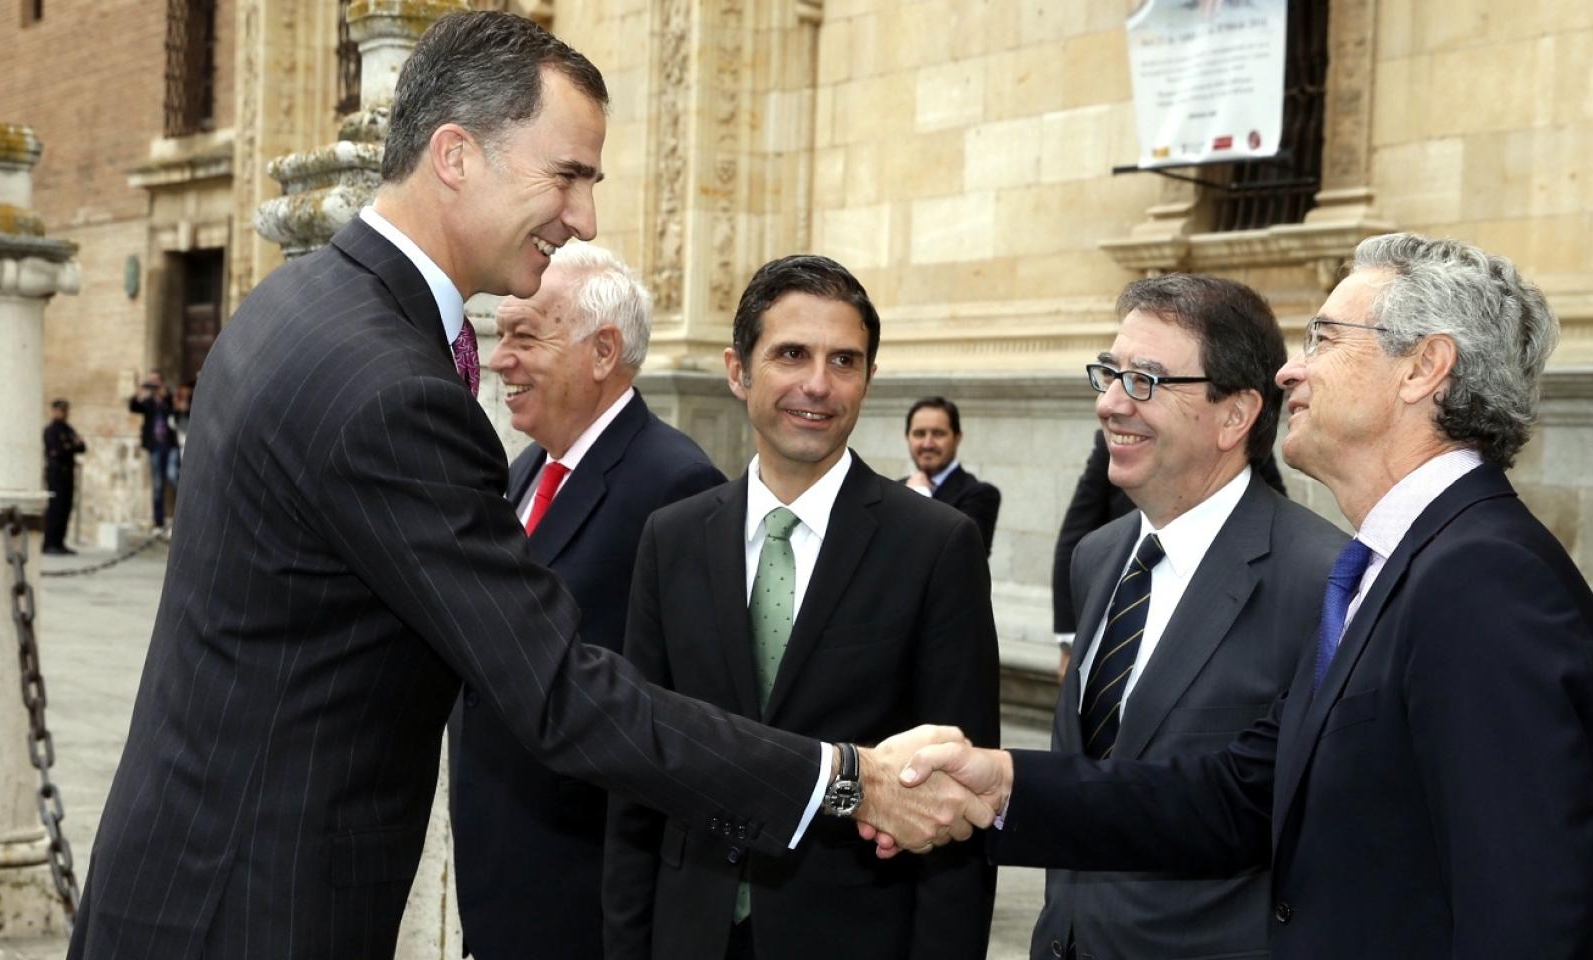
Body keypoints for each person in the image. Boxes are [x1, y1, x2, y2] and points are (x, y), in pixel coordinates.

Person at [67, 14, 985, 960]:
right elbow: (560, 692)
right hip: (251, 908)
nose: (584, 217)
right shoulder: (391, 388)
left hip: (192, 880)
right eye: (568, 175)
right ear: (456, 156)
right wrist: (844, 779)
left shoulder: (301, 304)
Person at [890, 234, 1593, 959]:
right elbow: (1238, 797)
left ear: (1424, 368)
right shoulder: (1394, 566)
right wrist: (1005, 782)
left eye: (1323, 338)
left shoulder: (1483, 577)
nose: (1290, 370)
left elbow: (1524, 916)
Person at [603, 255, 999, 960]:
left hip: (854, 937)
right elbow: (638, 772)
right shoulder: (672, 540)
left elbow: (956, 808)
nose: (818, 384)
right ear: (738, 371)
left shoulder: (936, 547)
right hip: (689, 931)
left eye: (844, 360)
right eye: (791, 354)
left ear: (869, 379)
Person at [1034, 275, 1345, 960]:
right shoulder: (1098, 557)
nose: (1111, 403)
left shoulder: (1324, 581)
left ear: (1234, 416)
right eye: (1109, 373)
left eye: (1145, 380)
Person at [448, 241, 727, 960]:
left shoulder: (674, 486)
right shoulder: (527, 468)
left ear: (603, 352)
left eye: (523, 336)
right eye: (499, 334)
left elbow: (678, 713)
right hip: (505, 875)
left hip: (586, 899)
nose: (501, 359)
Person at [1050, 430, 1288, 681]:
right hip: (1128, 611)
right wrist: (1069, 640)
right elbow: (1074, 537)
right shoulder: (1116, 442)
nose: (1110, 405)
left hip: (1215, 606)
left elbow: (1275, 524)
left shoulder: (1244, 445)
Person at [901, 397, 1001, 554]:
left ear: (957, 438)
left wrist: (921, 496)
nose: (927, 443)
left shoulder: (980, 495)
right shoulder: (894, 489)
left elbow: (966, 554)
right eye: (919, 434)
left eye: (938, 434)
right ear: (907, 438)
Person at [127, 368, 177, 528]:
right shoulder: (148, 402)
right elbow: (134, 407)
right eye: (151, 381)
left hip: (170, 444)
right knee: (157, 484)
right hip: (155, 446)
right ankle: (158, 520)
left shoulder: (167, 398)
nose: (153, 384)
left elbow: (177, 410)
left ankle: (183, 513)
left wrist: (163, 396)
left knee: (173, 476)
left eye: (156, 381)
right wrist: (139, 392)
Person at [42, 398, 86, 555]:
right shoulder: (51, 430)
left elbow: (81, 446)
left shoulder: (68, 429)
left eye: (65, 410)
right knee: (55, 507)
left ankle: (59, 542)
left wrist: (70, 446)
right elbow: (56, 451)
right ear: (54, 411)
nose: (63, 413)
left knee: (66, 507)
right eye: (60, 410)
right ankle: (49, 542)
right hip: (56, 473)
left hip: (68, 472)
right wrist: (70, 446)